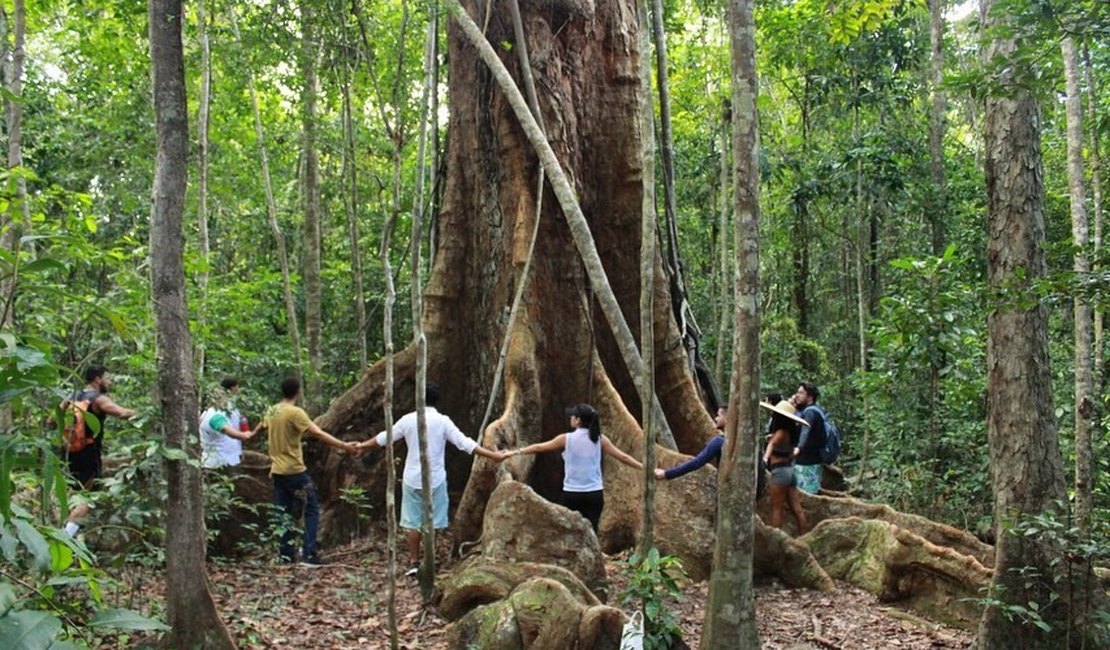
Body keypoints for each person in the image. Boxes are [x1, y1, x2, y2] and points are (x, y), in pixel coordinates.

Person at [358, 382, 508, 575]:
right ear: (437, 401)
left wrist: (362, 446)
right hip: (435, 478)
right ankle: (429, 560)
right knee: (432, 522)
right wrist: (493, 455)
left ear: (418, 398)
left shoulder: (408, 419)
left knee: (413, 522)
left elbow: (384, 437)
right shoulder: (443, 421)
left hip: (412, 478)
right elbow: (464, 443)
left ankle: (414, 561)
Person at [259, 377, 359, 566]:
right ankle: (309, 553)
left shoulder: (272, 410)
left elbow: (260, 427)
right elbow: (318, 433)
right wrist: (344, 446)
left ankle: (286, 556)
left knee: (284, 512)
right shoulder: (295, 412)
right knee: (312, 508)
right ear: (297, 391)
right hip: (294, 471)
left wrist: (248, 434)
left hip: (278, 471)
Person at [509, 403, 643, 533]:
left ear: (578, 420)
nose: (570, 418)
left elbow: (539, 447)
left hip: (572, 493)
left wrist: (515, 452)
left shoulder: (566, 439)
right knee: (592, 530)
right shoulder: (599, 439)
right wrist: (644, 468)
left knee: (572, 532)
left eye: (573, 416)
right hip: (594, 493)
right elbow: (623, 457)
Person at [60, 366, 136, 538]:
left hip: (68, 453)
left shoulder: (70, 397)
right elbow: (121, 413)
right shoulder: (98, 399)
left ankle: (74, 536)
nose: (109, 381)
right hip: (88, 454)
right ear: (97, 379)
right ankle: (65, 538)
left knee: (76, 495)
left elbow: (51, 421)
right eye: (107, 378)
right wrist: (146, 413)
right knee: (87, 499)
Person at [760, 399, 809, 534]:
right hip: (789, 471)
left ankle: (775, 538)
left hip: (780, 472)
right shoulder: (790, 433)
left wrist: (765, 458)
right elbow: (790, 451)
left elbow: (772, 444)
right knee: (796, 508)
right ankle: (804, 535)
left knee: (777, 508)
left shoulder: (781, 432)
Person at [654, 406, 727, 482]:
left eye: (719, 415)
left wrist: (667, 474)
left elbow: (697, 462)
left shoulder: (719, 441)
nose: (716, 419)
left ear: (727, 418)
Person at [200, 379, 255, 468]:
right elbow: (225, 429)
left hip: (230, 458)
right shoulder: (214, 415)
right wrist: (244, 435)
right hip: (219, 463)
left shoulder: (229, 410)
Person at [792, 382, 825, 494]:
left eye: (801, 393)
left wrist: (799, 448)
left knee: (806, 495)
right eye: (797, 392)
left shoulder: (810, 412)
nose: (797, 395)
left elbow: (806, 430)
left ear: (810, 397)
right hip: (810, 461)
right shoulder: (813, 410)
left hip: (807, 463)